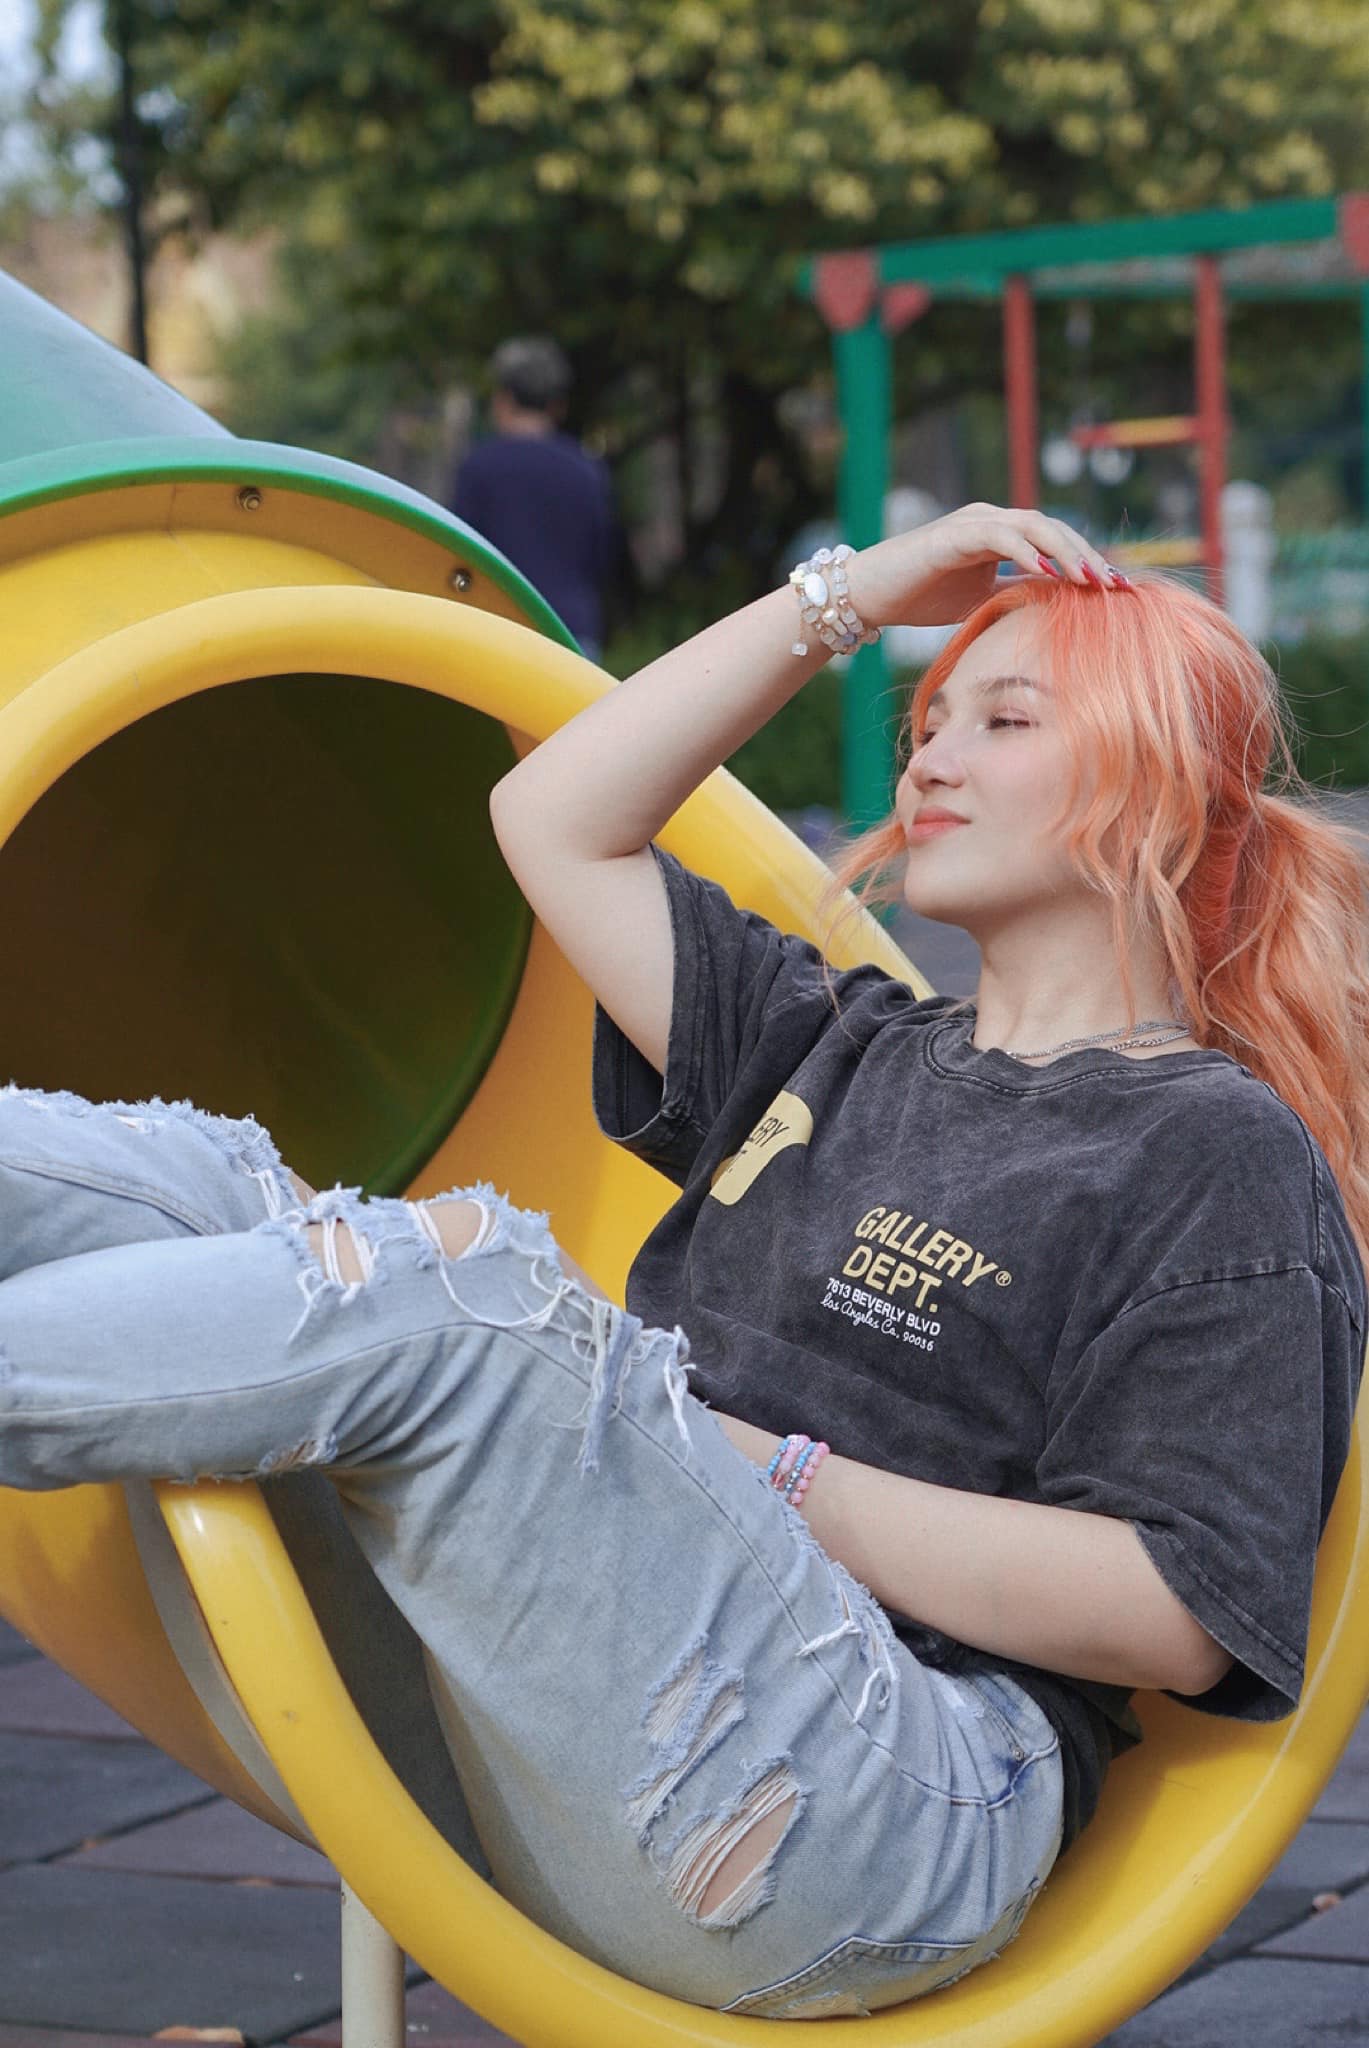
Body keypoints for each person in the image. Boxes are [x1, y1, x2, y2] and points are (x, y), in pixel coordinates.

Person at [0, 504, 1365, 2021]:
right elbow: (552, 814)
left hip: (877, 1804)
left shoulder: (1210, 1148)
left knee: (483, 1299)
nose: (928, 760)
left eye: (1005, 719)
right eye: (926, 722)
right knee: (212, 1185)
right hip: (580, 1725)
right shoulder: (829, 1042)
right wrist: (855, 596)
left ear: (1157, 789)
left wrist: (743, 1466)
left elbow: (1172, 1608)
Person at [450, 336, 620, 662]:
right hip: (573, 633)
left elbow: (461, 557)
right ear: (557, 404)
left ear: (504, 399)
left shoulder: (479, 468)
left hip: (499, 631)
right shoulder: (587, 470)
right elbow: (601, 557)